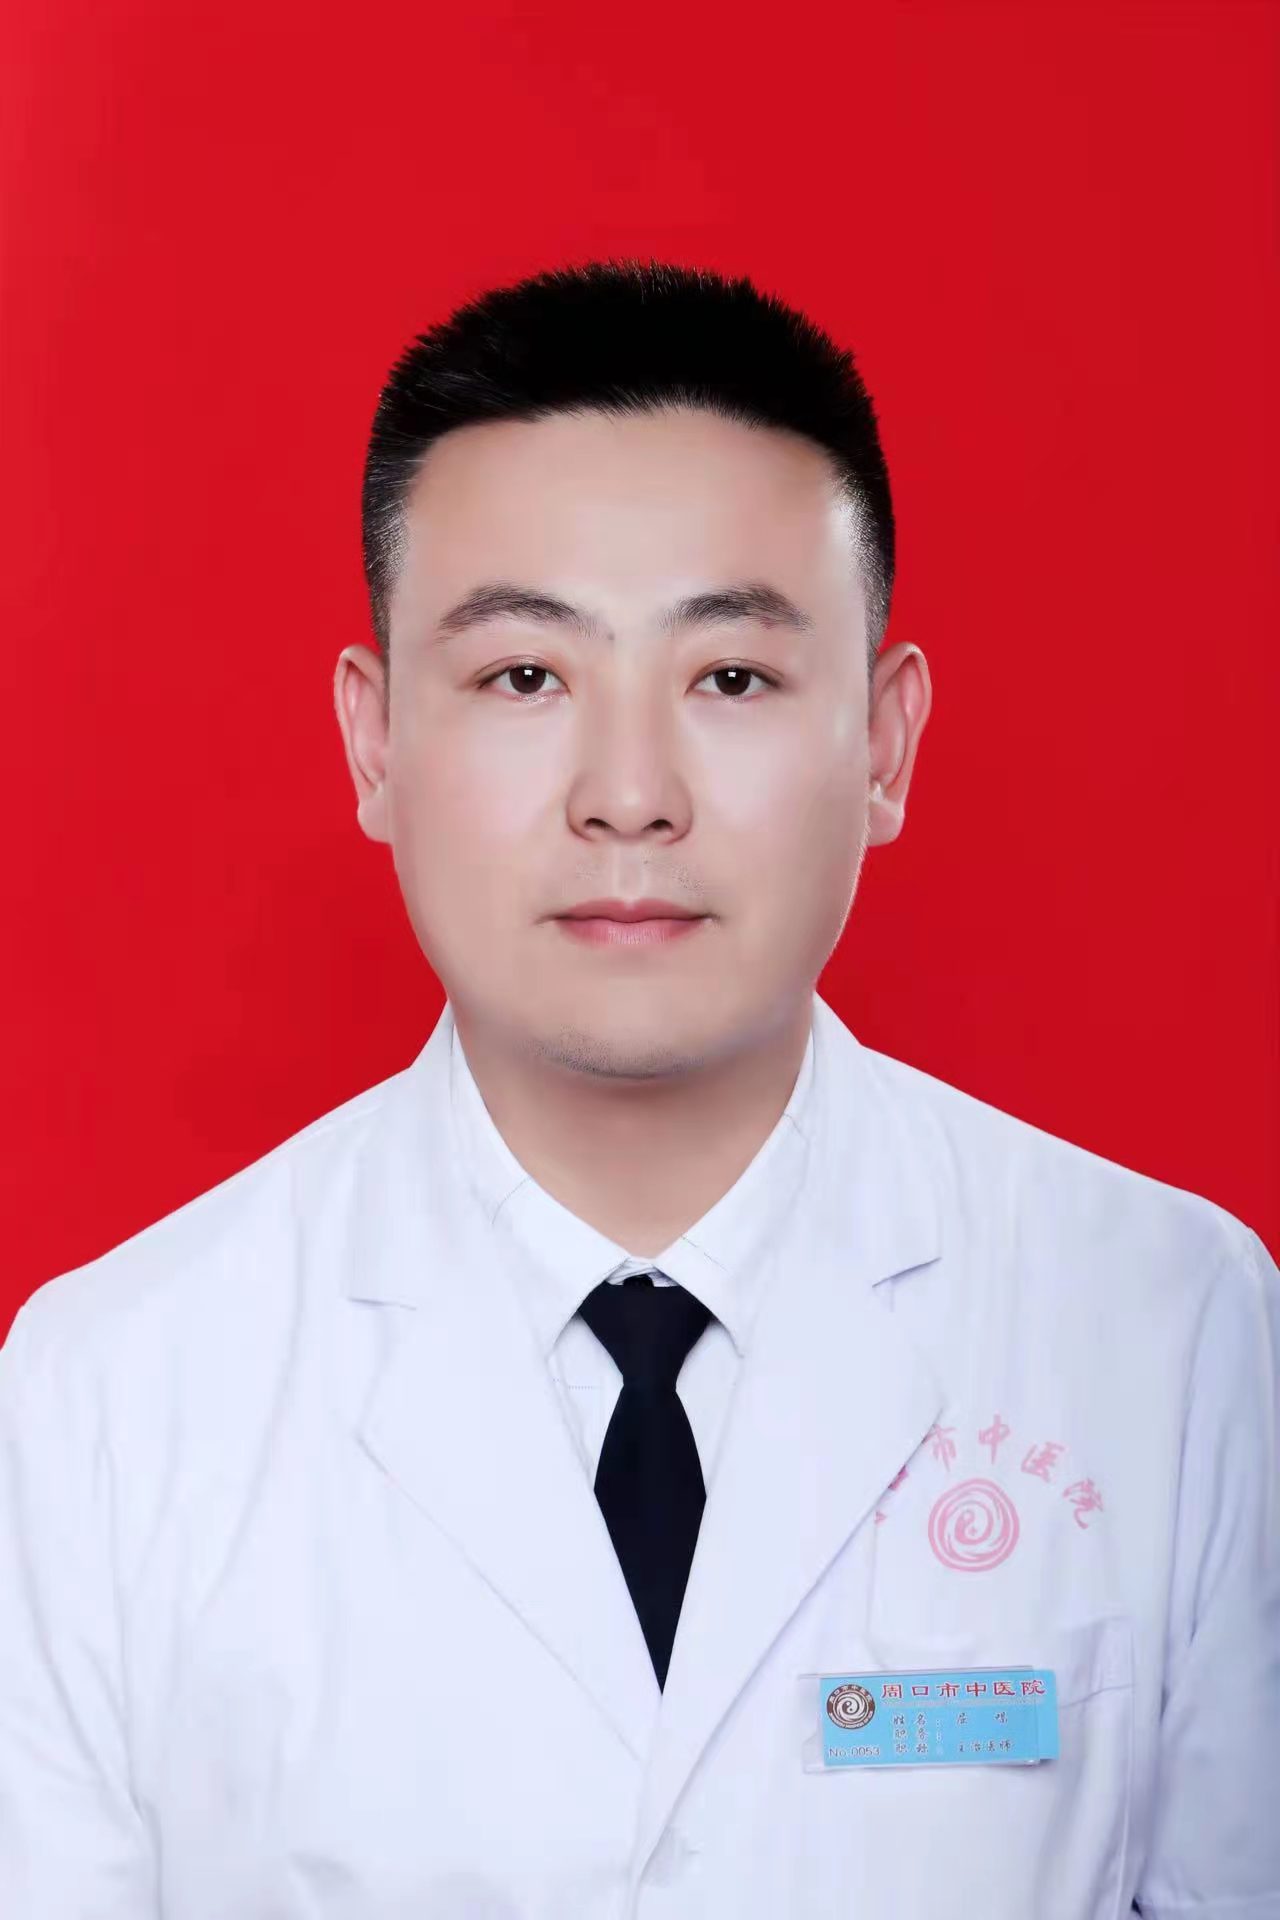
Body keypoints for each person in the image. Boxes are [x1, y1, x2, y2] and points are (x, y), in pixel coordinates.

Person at [0, 257, 1276, 1920]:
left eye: (729, 678)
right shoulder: (108, 1395)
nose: (627, 794)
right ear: (375, 743)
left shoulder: (1175, 1327)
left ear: (885, 743)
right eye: (525, 677)